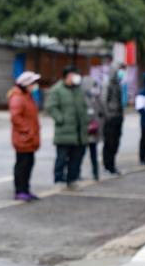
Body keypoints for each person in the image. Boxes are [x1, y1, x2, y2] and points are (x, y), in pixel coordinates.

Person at [47, 65, 89, 190]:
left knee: (76, 157)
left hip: (79, 131)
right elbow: (51, 107)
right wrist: (61, 119)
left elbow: (83, 107)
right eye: (74, 74)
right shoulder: (57, 90)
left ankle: (72, 178)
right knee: (62, 157)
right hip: (64, 131)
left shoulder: (78, 90)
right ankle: (59, 178)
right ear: (68, 76)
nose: (77, 77)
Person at [8, 71, 41, 201]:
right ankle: (20, 190)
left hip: (30, 138)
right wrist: (28, 130)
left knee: (28, 164)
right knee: (22, 165)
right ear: (26, 84)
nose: (35, 86)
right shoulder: (18, 97)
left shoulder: (27, 96)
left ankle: (26, 189)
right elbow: (15, 118)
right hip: (23, 138)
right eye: (33, 83)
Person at [102, 63, 125, 175]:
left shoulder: (118, 85)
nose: (121, 73)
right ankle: (108, 165)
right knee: (109, 143)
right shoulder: (108, 85)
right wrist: (108, 116)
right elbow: (104, 102)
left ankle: (112, 165)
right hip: (110, 118)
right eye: (119, 71)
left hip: (118, 117)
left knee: (115, 142)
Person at [86, 77, 104, 181]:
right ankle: (76, 174)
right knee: (80, 154)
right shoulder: (83, 99)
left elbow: (102, 113)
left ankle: (95, 173)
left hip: (94, 131)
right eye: (93, 87)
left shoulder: (97, 99)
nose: (95, 89)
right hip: (85, 132)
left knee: (94, 153)